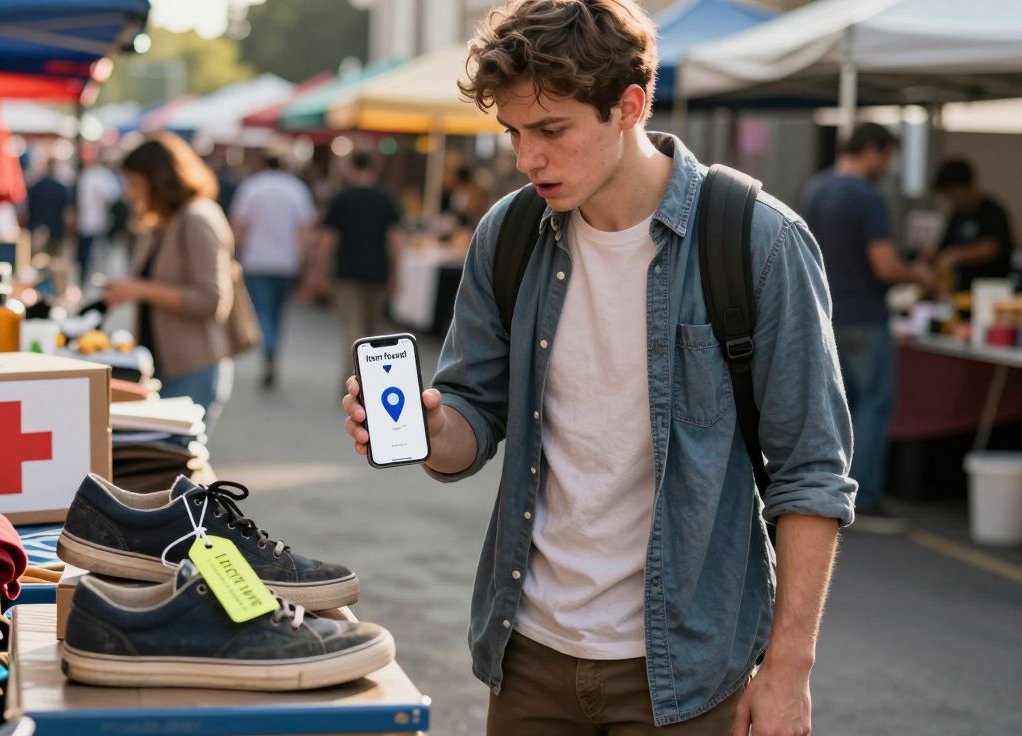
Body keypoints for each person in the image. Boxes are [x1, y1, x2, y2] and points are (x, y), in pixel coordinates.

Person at [341, 2, 856, 734]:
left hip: (687, 669)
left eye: (551, 131)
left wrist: (788, 670)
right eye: (515, 133)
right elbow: (470, 420)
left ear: (629, 105)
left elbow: (813, 470)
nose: (528, 159)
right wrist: (429, 429)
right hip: (528, 657)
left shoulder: (757, 240)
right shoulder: (509, 233)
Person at [801, 123, 934, 534]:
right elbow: (885, 265)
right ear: (872, 150)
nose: (889, 166)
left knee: (833, 412)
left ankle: (828, 494)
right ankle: (866, 498)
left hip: (823, 314)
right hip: (864, 317)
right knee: (873, 406)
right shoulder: (866, 197)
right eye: (889, 156)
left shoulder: (816, 189)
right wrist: (921, 276)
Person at [103, 132, 237, 427]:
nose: (130, 194)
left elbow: (212, 299)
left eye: (136, 184)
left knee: (181, 468)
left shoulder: (197, 218)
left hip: (193, 368)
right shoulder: (170, 220)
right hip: (168, 365)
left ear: (161, 181)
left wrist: (140, 289)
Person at [229, 155, 317, 389]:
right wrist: (306, 260)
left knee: (262, 309)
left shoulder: (252, 187)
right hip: (286, 262)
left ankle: (267, 346)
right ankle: (272, 347)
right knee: (277, 312)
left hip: (257, 260)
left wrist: (231, 252)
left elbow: (239, 224)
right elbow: (306, 229)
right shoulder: (296, 189)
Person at [313, 152, 403, 380]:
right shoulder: (386, 198)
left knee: (352, 331)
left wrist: (321, 272)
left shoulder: (342, 198)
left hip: (347, 273)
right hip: (378, 273)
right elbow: (395, 241)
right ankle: (371, 382)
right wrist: (396, 274)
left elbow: (328, 240)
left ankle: (353, 383)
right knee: (373, 332)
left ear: (351, 167)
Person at [932, 158, 1016, 293]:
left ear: (963, 188)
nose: (949, 200)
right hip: (961, 291)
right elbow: (944, 248)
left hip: (991, 290)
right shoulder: (957, 216)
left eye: (951, 193)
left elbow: (992, 247)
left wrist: (955, 255)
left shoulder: (991, 211)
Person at [76, 147, 122, 285]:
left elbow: (113, 195)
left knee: (98, 256)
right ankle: (83, 281)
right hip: (84, 223)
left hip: (98, 222)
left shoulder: (103, 175)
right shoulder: (85, 175)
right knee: (84, 256)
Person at [24, 158, 73, 255]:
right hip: (55, 228)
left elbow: (28, 209)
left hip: (36, 226)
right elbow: (67, 212)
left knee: (36, 258)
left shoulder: (35, 187)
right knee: (53, 259)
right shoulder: (61, 188)